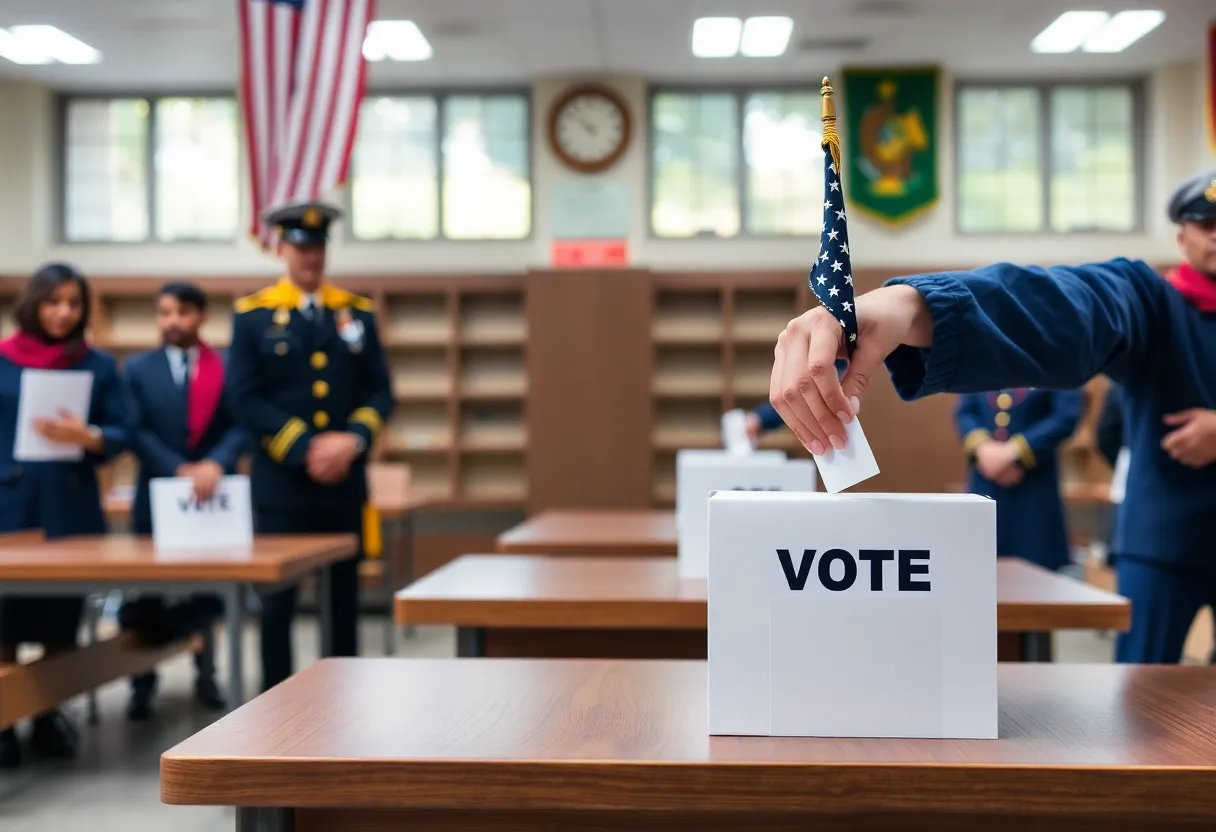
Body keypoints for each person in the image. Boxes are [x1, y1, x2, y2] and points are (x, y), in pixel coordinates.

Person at [768, 169, 1216, 665]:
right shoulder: (1155, 303)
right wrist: (912, 307)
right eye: (1206, 223)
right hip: (1165, 541)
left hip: (1088, 507)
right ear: (1182, 236)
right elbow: (1072, 308)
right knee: (1144, 705)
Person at [226, 200, 392, 691]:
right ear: (281, 249)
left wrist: (353, 440)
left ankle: (344, 698)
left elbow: (381, 391)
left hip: (343, 482)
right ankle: (274, 701)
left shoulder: (355, 313)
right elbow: (243, 398)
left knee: (343, 599)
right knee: (277, 602)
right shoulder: (253, 316)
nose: (311, 257)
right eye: (300, 247)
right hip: (283, 486)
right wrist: (304, 448)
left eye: (318, 247)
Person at [0, 263, 129, 767]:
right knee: (4, 620)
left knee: (60, 619)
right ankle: (5, 721)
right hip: (10, 508)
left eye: (74, 303)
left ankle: (49, 714)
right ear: (34, 303)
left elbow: (123, 432)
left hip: (69, 508)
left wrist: (88, 436)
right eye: (53, 302)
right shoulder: (4, 360)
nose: (63, 312)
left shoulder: (97, 365)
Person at [120, 282, 249, 719]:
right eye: (164, 313)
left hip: (213, 499)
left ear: (201, 316)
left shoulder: (227, 366)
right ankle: (141, 683)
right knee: (146, 594)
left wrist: (215, 463)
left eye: (182, 312)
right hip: (156, 496)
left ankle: (207, 674)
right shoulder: (138, 369)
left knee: (208, 591)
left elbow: (242, 424)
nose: (172, 321)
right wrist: (178, 468)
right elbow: (133, 430)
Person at [954, 388, 1083, 572]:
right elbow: (965, 412)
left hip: (1034, 490)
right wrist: (983, 449)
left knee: (1036, 579)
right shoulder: (977, 359)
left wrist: (1013, 452)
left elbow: (1066, 415)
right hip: (985, 483)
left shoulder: (1059, 360)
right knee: (977, 568)